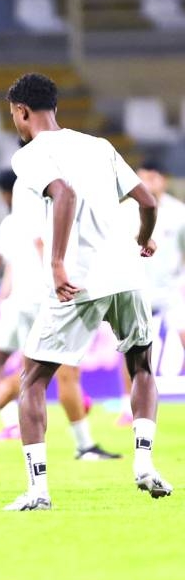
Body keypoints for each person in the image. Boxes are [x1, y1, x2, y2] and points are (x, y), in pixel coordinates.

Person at [3, 72, 171, 511]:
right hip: (129, 275)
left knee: (33, 380)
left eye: (15, 117)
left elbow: (64, 195)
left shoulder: (31, 154)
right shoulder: (99, 145)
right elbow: (149, 202)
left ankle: (38, 491)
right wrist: (143, 237)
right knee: (141, 365)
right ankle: (145, 465)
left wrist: (58, 262)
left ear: (21, 112)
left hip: (80, 277)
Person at [0, 169, 120, 462]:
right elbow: (42, 245)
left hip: (21, 300)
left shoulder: (13, 218)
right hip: (45, 298)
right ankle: (85, 446)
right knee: (66, 372)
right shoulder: (46, 205)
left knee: (32, 373)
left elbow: (0, 260)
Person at [115, 160, 185, 426]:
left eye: (154, 177)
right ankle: (126, 406)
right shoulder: (122, 212)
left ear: (163, 180)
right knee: (131, 350)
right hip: (135, 287)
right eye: (143, 177)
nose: (149, 182)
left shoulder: (179, 213)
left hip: (171, 290)